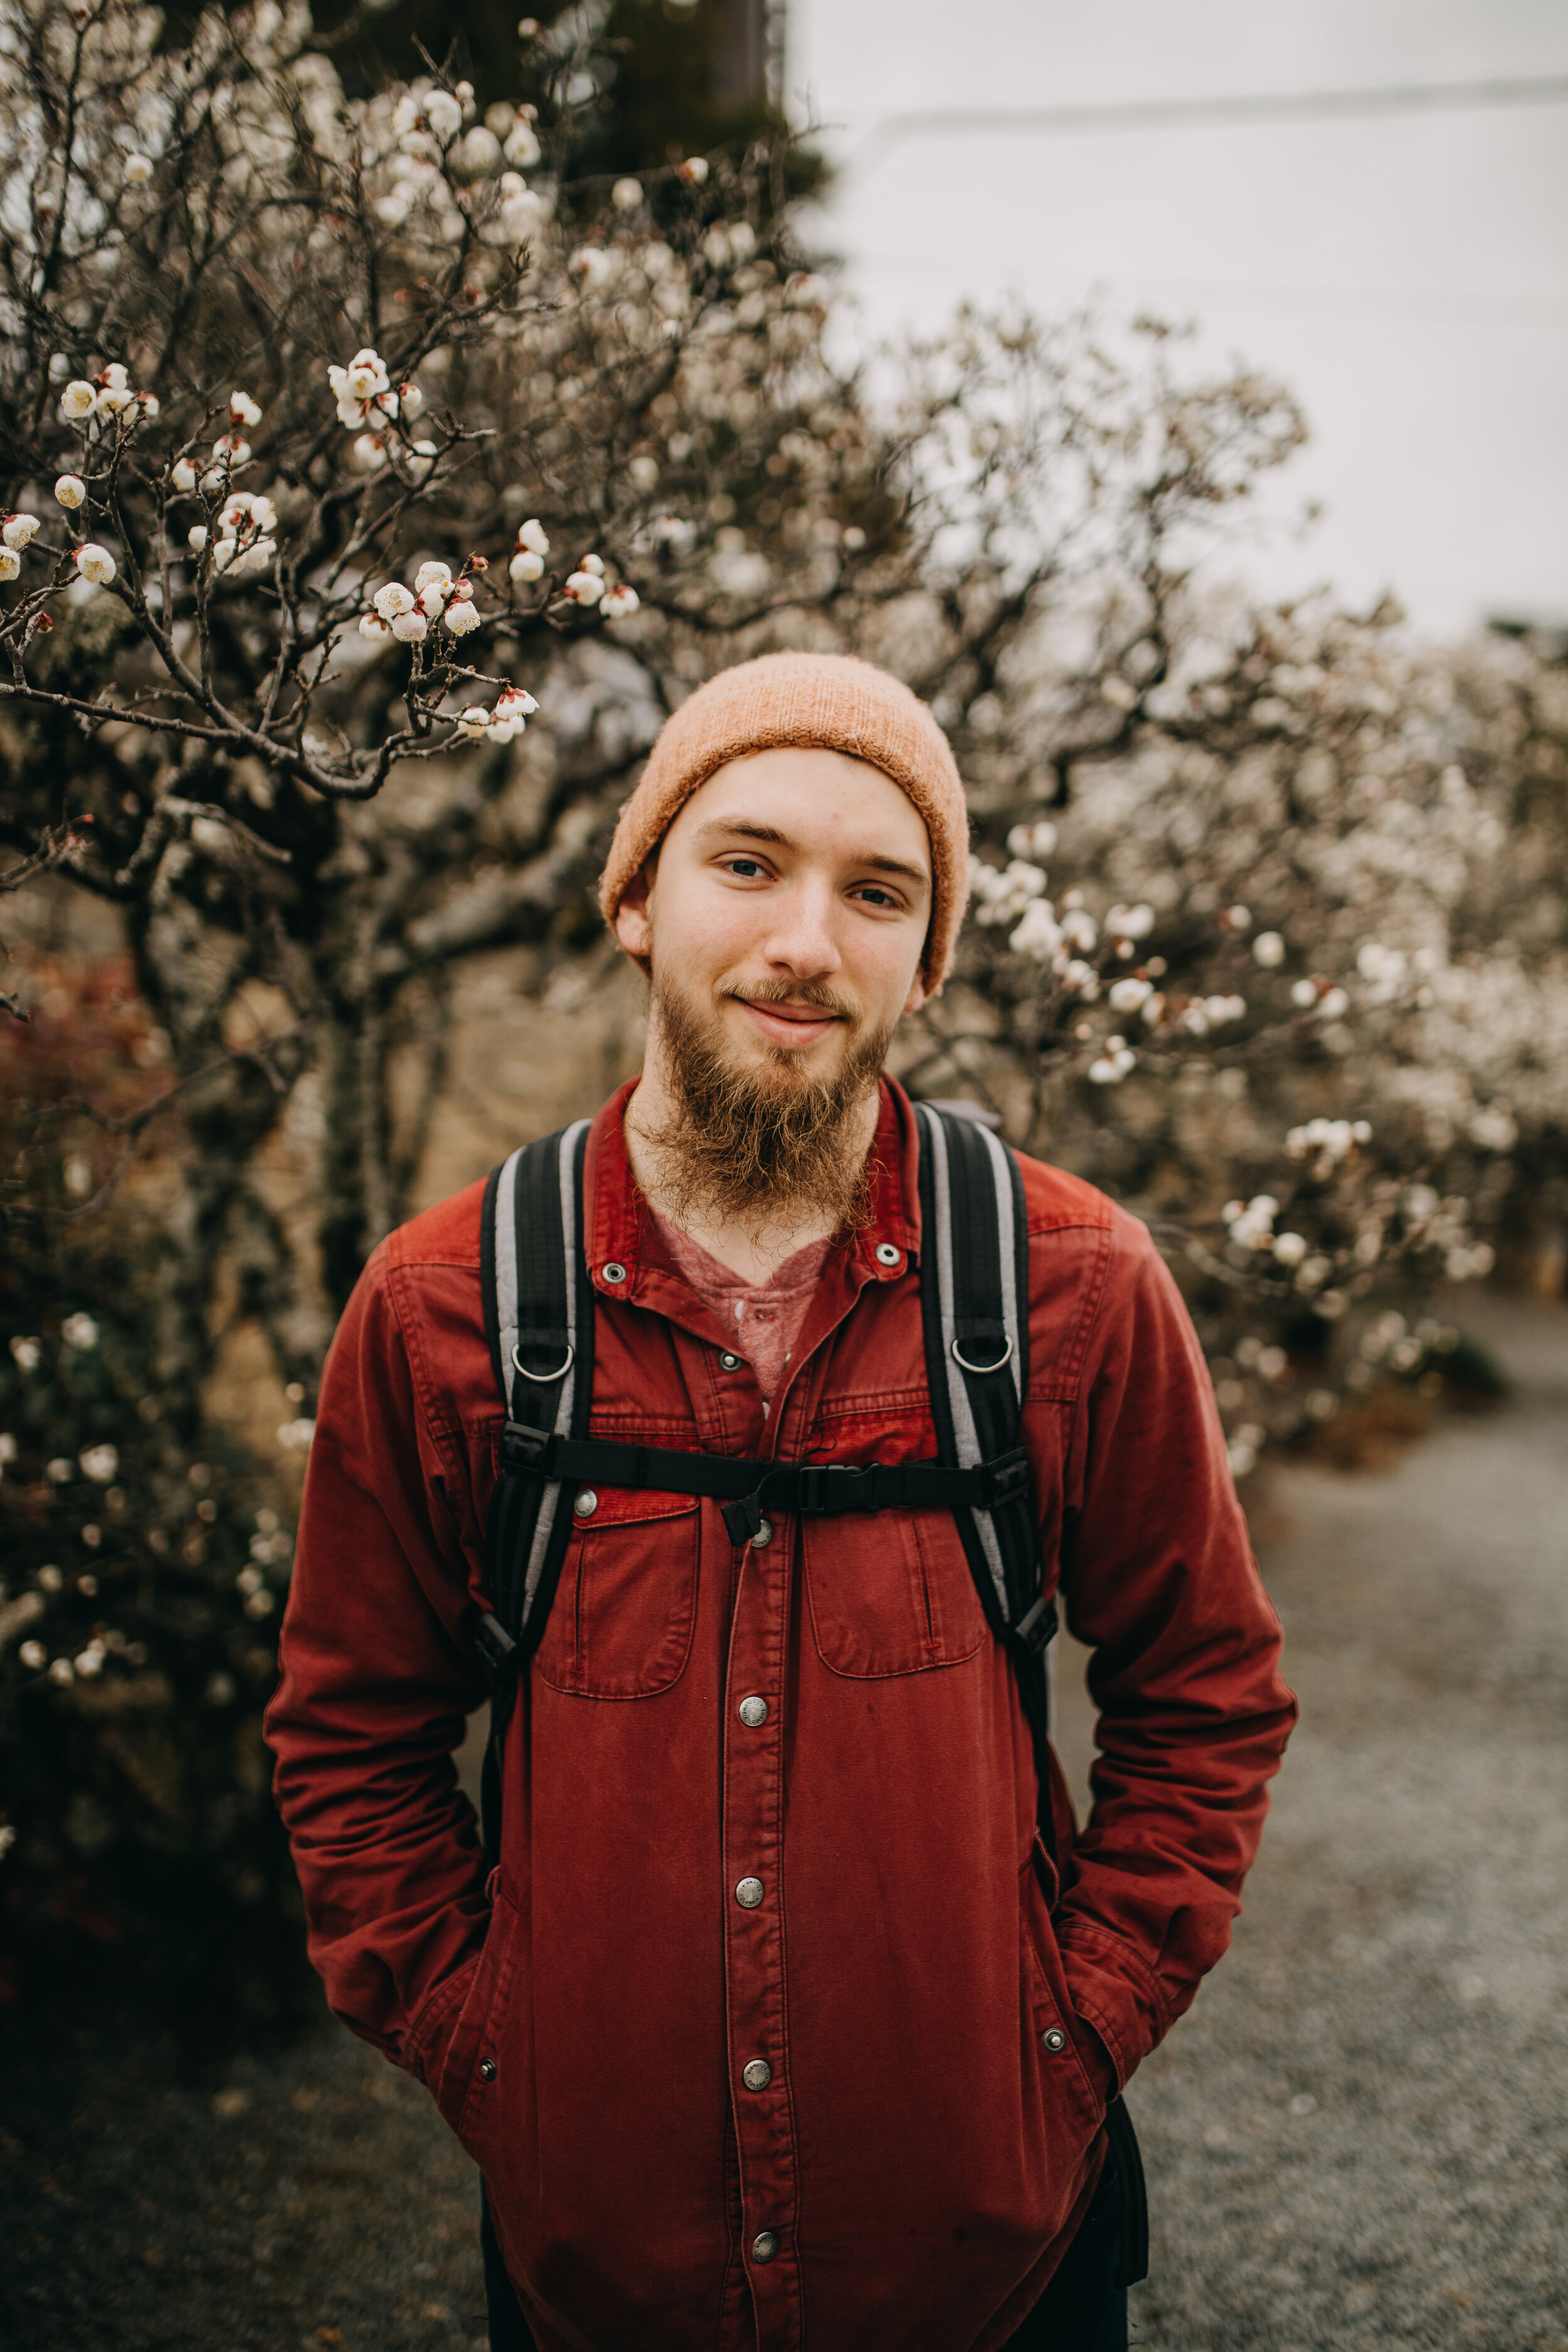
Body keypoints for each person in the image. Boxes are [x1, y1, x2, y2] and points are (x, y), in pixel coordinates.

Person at [265, 652, 1296, 2352]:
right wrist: (483, 2043)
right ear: (635, 900)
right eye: (745, 862)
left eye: (875, 891)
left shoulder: (1072, 1287)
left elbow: (1207, 1693)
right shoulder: (448, 1305)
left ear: (926, 954)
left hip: (993, 2264)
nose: (807, 941)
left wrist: (1073, 2029)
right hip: (598, 2268)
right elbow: (348, 1734)